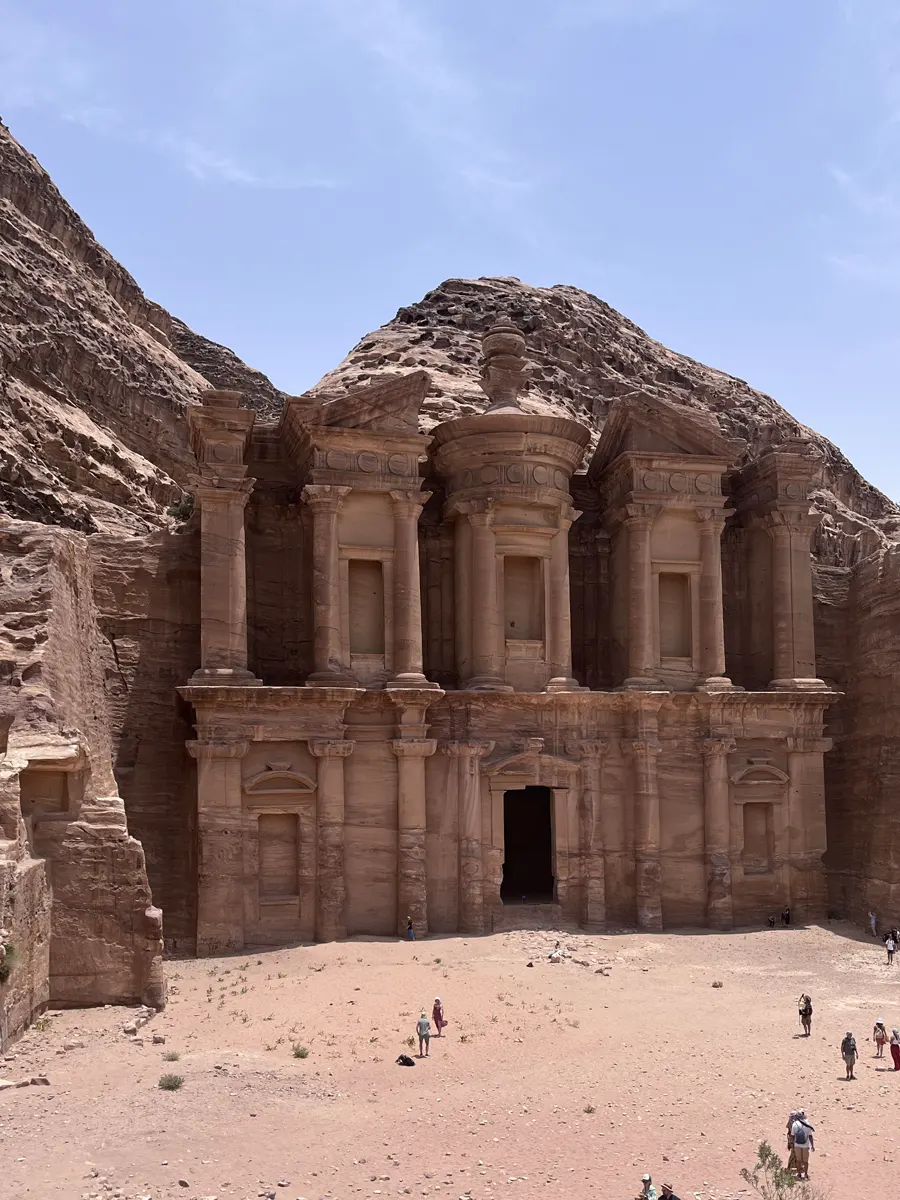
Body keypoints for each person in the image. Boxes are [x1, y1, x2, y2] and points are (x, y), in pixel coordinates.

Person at [790, 1112, 815, 1181]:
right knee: (805, 1161)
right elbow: (810, 1136)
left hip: (797, 1145)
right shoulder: (808, 1124)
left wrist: (792, 1144)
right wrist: (812, 1146)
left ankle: (799, 1174)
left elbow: (792, 1135)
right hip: (805, 1145)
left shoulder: (794, 1124)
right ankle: (806, 1174)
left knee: (798, 1160)